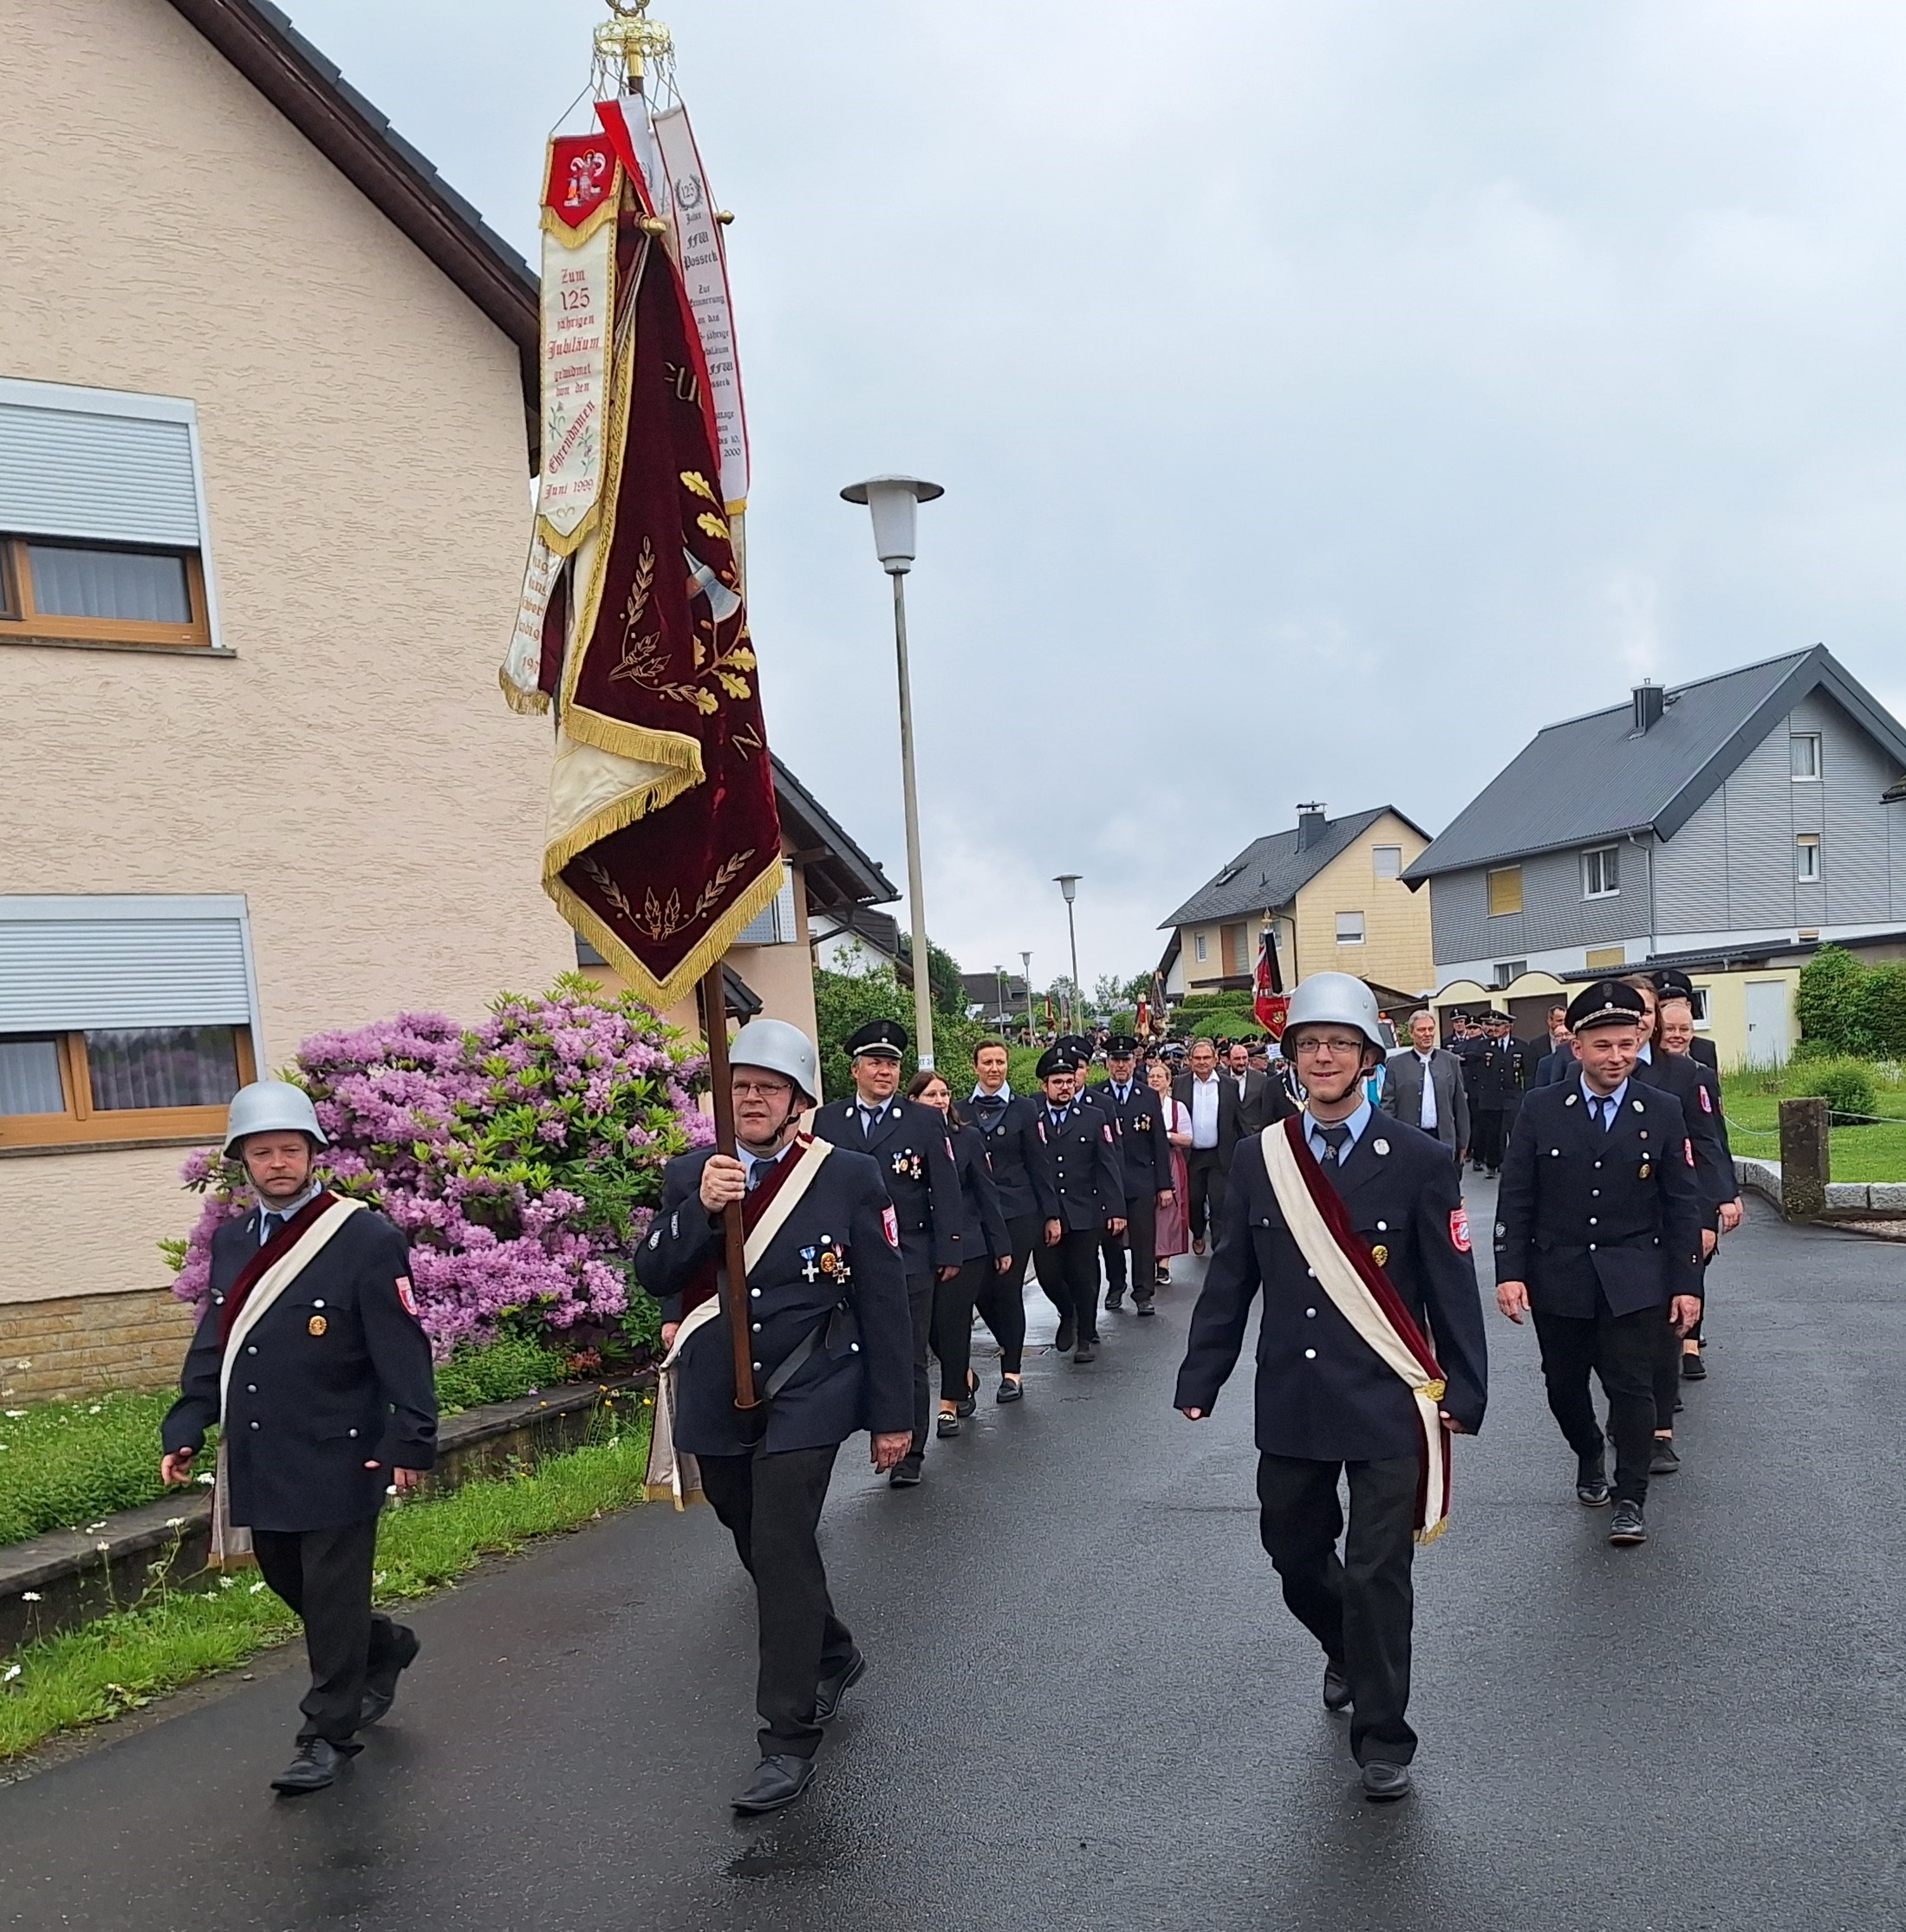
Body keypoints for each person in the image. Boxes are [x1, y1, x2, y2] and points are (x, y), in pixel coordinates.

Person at [1175, 973, 1487, 1803]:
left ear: (1365, 1058)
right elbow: (1232, 1274)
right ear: (1290, 1060)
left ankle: (1384, 1733)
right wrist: (1201, 1370)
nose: (1322, 1056)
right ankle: (1344, 1646)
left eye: (1338, 1043)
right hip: (1295, 1394)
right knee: (1291, 1555)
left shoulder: (1417, 1161)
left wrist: (1466, 1386)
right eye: (1308, 1044)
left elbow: (1452, 1283)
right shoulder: (1259, 1155)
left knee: (1379, 1565)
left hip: (1386, 1394)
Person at [636, 1019, 913, 1813]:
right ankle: (832, 1649)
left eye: (767, 1088)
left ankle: (785, 1739)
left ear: (796, 1102)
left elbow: (883, 1300)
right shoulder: (692, 1171)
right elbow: (655, 1269)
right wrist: (698, 1207)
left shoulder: (847, 1176)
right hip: (719, 1386)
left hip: (814, 1384)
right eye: (738, 1086)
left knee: (784, 1542)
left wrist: (893, 1414)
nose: (750, 1099)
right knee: (750, 1533)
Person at [159, 1081, 437, 1796]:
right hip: (262, 1446)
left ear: (313, 1153)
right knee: (289, 1577)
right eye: (263, 1151)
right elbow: (215, 1341)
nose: (278, 1162)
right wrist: (188, 1420)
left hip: (344, 1446)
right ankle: (385, 1646)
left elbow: (402, 1345)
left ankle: (326, 1732)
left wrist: (411, 1436)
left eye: (291, 1148)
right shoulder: (229, 1242)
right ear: (241, 1162)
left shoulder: (363, 1236)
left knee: (333, 1593)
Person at [1493, 981, 1705, 1546]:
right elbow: (1516, 1195)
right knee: (1563, 1386)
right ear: (1577, 1045)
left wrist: (1686, 1282)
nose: (1616, 1056)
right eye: (1603, 1045)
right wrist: (1508, 1271)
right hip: (1558, 1271)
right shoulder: (1541, 1108)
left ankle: (1630, 1497)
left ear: (1640, 1040)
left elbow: (1680, 1204)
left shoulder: (1659, 1110)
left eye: (1627, 1044)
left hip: (1634, 1274)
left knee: (1632, 1388)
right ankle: (1589, 1452)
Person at [810, 1019, 961, 1488]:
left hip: (907, 1257)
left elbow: (945, 1188)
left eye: (893, 1064)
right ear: (855, 1070)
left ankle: (911, 1451)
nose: (885, 1072)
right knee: (836, 1357)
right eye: (876, 1063)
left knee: (907, 1355)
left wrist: (950, 1247)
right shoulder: (826, 1121)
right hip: (842, 1260)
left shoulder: (924, 1119)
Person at [1620, 973, 1737, 1463]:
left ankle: (1660, 1427)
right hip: (1613, 1222)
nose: (1644, 1022)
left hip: (1672, 1215)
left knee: (1667, 1314)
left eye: (1649, 1012)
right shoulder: (1594, 1068)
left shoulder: (1687, 1074)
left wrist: (1718, 1205)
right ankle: (1627, 1413)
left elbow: (1707, 1143)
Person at [908, 1070, 1014, 1433]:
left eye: (944, 1094)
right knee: (931, 1330)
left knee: (952, 1323)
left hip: (967, 1246)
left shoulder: (967, 1138)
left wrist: (1001, 1245)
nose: (939, 1101)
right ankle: (964, 1376)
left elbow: (987, 1194)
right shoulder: (903, 1142)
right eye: (930, 1096)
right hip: (920, 1247)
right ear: (913, 1103)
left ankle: (949, 1404)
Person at [1656, 988, 1738, 1383]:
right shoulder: (1647, 1072)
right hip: (1658, 1185)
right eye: (1669, 1028)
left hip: (1697, 1183)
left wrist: (1727, 1193)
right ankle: (1668, 1345)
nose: (1677, 1035)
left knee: (1695, 1261)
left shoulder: (1702, 1070)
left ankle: (1691, 1342)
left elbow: (1713, 1137)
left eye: (1684, 1028)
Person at [1029, 1045, 1126, 1362]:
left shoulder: (1094, 1117)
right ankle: (1066, 1311)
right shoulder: (1032, 1115)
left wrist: (1116, 1209)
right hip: (1046, 1210)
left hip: (1085, 1208)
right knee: (1048, 1273)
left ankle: (1085, 1336)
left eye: (1069, 1081)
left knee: (1084, 1274)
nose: (1065, 1087)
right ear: (1045, 1086)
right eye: (1058, 1082)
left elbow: (1107, 1164)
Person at [966, 1038, 1042, 1401]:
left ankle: (1012, 1371)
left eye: (1000, 1062)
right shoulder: (960, 1110)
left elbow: (1038, 1163)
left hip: (1017, 1211)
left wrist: (1051, 1215)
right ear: (975, 1067)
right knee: (980, 1292)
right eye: (987, 1062)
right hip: (975, 1213)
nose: (994, 1068)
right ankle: (1007, 1342)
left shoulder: (1025, 1109)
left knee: (1008, 1289)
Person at [1095, 1034, 1175, 1317]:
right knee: (1111, 1239)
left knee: (1143, 1238)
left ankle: (1143, 1292)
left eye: (1126, 1060)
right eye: (1115, 1060)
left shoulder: (1148, 1095)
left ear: (1134, 1061)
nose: (1121, 1065)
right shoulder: (1097, 1096)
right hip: (1107, 1181)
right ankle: (1115, 1286)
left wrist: (1165, 1185)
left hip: (1142, 1178)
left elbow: (1159, 1143)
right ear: (1107, 1063)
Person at [1379, 1009, 1470, 1164]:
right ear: (1412, 1033)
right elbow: (1388, 1106)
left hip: (1443, 1139)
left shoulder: (1450, 1061)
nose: (1427, 1034)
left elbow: (1460, 1105)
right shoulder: (1396, 1065)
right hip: (1409, 1140)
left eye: (1430, 1029)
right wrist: (1389, 1140)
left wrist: (1463, 1142)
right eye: (1421, 1030)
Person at [1175, 1038, 1229, 1255]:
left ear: (1215, 1060)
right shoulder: (1181, 1084)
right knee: (1194, 1201)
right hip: (1192, 1155)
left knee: (1219, 1202)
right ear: (1189, 1061)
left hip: (1219, 1155)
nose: (1202, 1062)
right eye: (1197, 1058)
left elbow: (1236, 1121)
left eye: (1207, 1058)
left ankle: (1220, 1247)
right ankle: (1197, 1233)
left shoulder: (1228, 1085)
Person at [1148, 1056, 1194, 1285]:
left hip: (1170, 1161)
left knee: (1167, 1212)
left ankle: (1163, 1264)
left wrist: (1164, 1136)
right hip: (1146, 1163)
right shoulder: (1142, 1105)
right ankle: (1149, 1257)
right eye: (1151, 1076)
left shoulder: (1178, 1108)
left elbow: (1188, 1138)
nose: (1155, 1080)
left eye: (1159, 1076)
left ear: (1169, 1081)